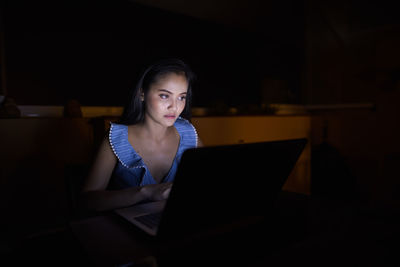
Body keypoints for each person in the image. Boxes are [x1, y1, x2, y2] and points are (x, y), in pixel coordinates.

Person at [81, 58, 202, 212]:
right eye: (165, 95)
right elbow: (86, 202)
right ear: (142, 93)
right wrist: (145, 192)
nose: (175, 106)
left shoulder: (189, 133)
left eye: (181, 97)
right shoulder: (116, 138)